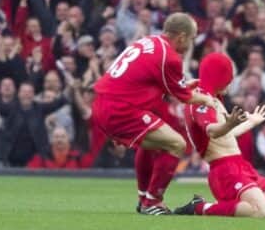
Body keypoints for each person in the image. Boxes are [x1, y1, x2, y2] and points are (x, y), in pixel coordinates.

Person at [92, 12, 215, 215]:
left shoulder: (148, 42)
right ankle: (153, 202)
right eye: (191, 39)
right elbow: (185, 97)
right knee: (177, 144)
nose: (190, 44)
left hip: (104, 103)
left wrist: (187, 86)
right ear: (182, 36)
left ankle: (144, 199)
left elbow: (162, 83)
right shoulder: (171, 57)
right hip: (120, 108)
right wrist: (209, 99)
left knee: (153, 144)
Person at [175, 52, 265, 218]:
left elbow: (227, 134)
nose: (231, 81)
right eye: (228, 76)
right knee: (262, 212)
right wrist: (229, 123)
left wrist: (251, 122)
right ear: (219, 76)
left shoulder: (212, 98)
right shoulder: (200, 101)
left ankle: (235, 206)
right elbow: (212, 131)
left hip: (240, 166)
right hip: (225, 171)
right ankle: (200, 207)